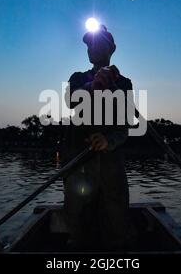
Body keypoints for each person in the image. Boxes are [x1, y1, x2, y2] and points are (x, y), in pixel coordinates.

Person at [62, 24, 134, 251]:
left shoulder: (124, 83)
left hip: (111, 165)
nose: (90, 47)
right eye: (88, 44)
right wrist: (93, 85)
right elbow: (70, 100)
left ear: (111, 48)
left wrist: (108, 140)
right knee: (78, 221)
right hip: (79, 164)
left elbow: (125, 127)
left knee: (116, 222)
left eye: (96, 42)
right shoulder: (77, 77)